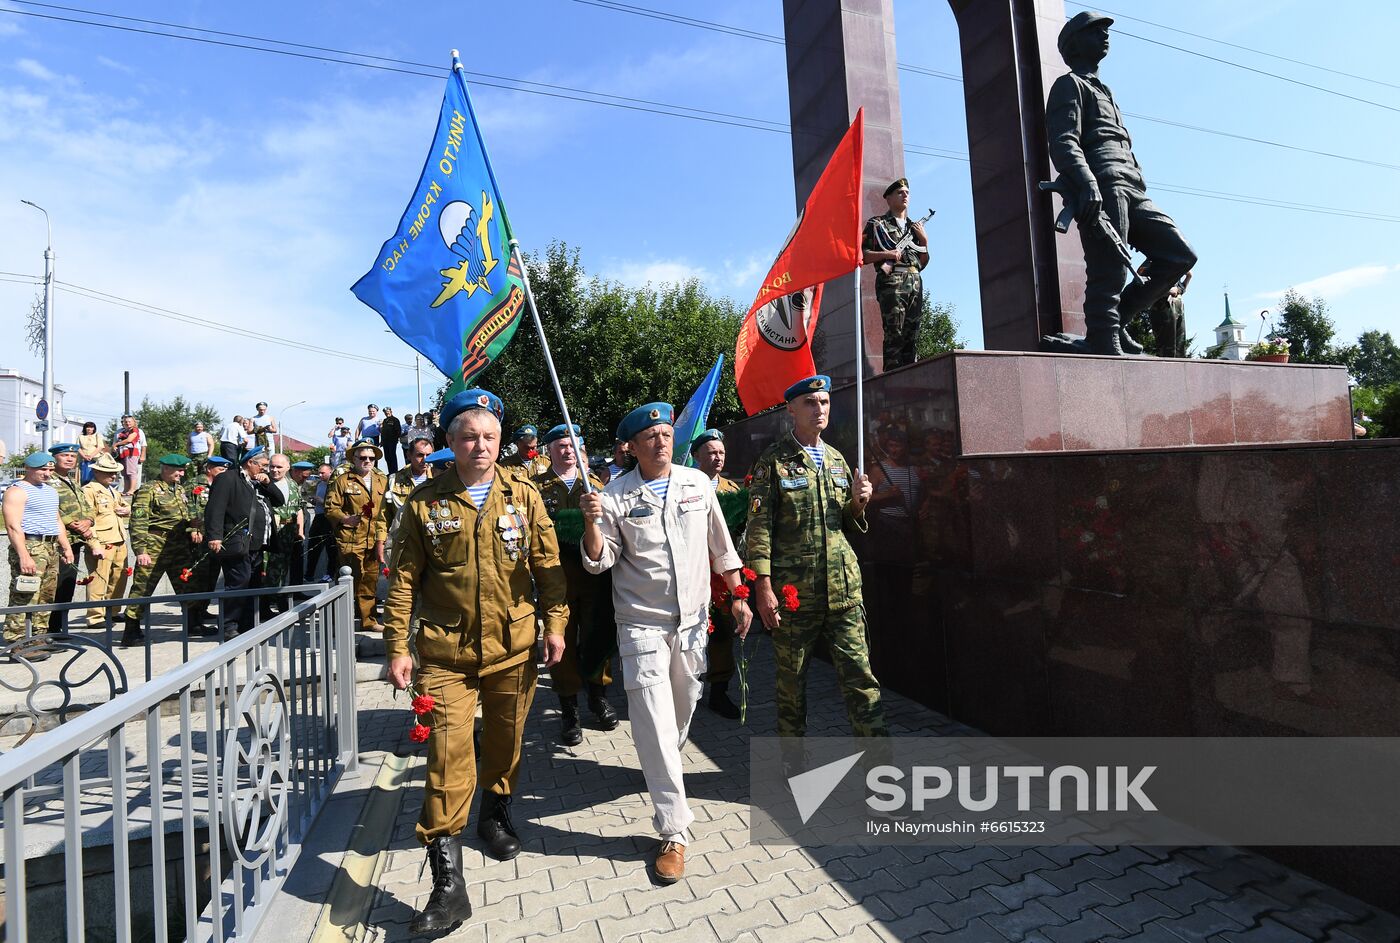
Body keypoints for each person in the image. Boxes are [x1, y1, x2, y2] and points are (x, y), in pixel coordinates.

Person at [383, 388, 568, 934]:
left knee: (507, 742)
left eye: (489, 435)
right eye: (469, 436)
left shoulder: (524, 495)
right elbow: (403, 582)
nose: (480, 445)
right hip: (445, 655)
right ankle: (448, 884)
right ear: (449, 441)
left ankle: (495, 811)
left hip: (513, 650)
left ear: (499, 440)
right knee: (446, 757)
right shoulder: (423, 503)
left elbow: (549, 568)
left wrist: (555, 625)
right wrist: (397, 646)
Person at [581, 403, 751, 884]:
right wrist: (592, 519)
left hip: (694, 622)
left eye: (664, 432)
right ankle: (674, 830)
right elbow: (599, 562)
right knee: (654, 726)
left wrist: (738, 597)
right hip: (642, 626)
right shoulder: (614, 496)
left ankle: (663, 765)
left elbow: (722, 546)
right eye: (649, 436)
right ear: (630, 447)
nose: (660, 441)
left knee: (681, 712)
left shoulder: (697, 484)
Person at [1046, 11, 1197, 355]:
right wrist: (1087, 183)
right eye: (1095, 31)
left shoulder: (1106, 90)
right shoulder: (1070, 85)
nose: (1105, 35)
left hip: (1132, 187)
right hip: (1103, 183)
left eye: (1104, 30)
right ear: (1074, 44)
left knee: (1179, 255)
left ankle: (1117, 318)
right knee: (1109, 266)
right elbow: (1063, 140)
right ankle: (1103, 333)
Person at [745, 375, 887, 739]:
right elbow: (759, 528)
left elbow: (845, 522)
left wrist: (858, 502)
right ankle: (794, 765)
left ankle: (878, 765)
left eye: (824, 402)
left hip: (843, 591)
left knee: (861, 679)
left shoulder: (838, 459)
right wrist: (762, 588)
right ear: (791, 409)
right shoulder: (773, 462)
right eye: (810, 403)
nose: (819, 409)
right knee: (792, 687)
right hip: (795, 596)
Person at [532, 423, 618, 745]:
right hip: (558, 578)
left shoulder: (594, 484)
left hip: (595, 576)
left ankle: (598, 696)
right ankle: (570, 709)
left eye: (572, 446)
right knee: (562, 643)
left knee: (598, 635)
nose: (567, 451)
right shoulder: (538, 488)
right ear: (549, 450)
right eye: (560, 446)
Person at [689, 429, 745, 720]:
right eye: (711, 452)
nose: (717, 457)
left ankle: (719, 692)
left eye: (721, 452)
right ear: (696, 455)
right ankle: (686, 689)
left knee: (723, 632)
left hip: (721, 575)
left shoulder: (733, 491)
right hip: (690, 573)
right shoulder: (684, 486)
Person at [122, 454, 205, 646]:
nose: (181, 473)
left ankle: (193, 623)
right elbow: (138, 521)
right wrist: (141, 550)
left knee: (188, 584)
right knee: (143, 587)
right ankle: (131, 630)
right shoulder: (148, 489)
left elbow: (185, 515)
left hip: (179, 545)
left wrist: (194, 528)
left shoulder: (179, 489)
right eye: (178, 470)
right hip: (155, 545)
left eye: (183, 470)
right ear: (165, 468)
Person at [204, 447, 283, 634]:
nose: (266, 469)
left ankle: (247, 624)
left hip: (256, 543)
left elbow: (279, 500)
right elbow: (215, 508)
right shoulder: (228, 478)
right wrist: (215, 536)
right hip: (236, 542)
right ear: (250, 463)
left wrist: (267, 483)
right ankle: (228, 625)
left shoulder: (257, 482)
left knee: (253, 583)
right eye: (263, 466)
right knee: (238, 582)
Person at [3, 452, 72, 655]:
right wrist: (23, 555)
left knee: (46, 596)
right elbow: (13, 526)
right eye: (43, 469)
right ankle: (16, 641)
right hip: (30, 545)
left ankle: (38, 637)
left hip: (50, 546)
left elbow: (56, 521)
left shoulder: (50, 491)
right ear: (29, 468)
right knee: (25, 594)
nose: (47, 473)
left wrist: (66, 546)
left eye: (50, 469)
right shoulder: (17, 491)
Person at [863, 178, 929, 370]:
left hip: (915, 280)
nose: (905, 195)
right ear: (888, 198)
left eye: (907, 192)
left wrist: (924, 241)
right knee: (895, 333)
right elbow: (864, 256)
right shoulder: (877, 224)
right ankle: (892, 380)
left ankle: (910, 376)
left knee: (912, 335)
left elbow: (923, 263)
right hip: (892, 282)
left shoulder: (914, 227)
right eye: (900, 192)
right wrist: (887, 254)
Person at [324, 439, 388, 630]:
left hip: (374, 538)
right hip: (351, 538)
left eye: (371, 458)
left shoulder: (382, 481)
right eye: (363, 457)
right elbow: (330, 507)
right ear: (354, 459)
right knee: (348, 580)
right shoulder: (343, 480)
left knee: (370, 579)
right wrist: (345, 519)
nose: (367, 461)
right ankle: (338, 623)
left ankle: (368, 620)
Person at [48, 443, 101, 632]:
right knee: (54, 587)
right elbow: (53, 510)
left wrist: (88, 521)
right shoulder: (48, 481)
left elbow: (87, 508)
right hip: (58, 543)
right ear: (54, 458)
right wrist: (74, 524)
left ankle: (60, 628)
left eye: (72, 456)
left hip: (75, 541)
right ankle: (50, 630)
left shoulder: (73, 481)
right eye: (65, 456)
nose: (70, 459)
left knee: (67, 587)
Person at [82, 455, 131, 627]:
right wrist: (94, 544)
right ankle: (95, 616)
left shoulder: (112, 490)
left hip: (118, 539)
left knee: (119, 577)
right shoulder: (89, 490)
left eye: (115, 472)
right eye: (109, 472)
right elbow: (88, 520)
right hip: (102, 542)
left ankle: (112, 610)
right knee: (99, 579)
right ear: (96, 471)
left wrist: (126, 510)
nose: (114, 476)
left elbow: (126, 506)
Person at [380, 435, 434, 557]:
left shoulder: (440, 478)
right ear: (409, 455)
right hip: (403, 542)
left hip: (433, 542)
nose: (425, 459)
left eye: (429, 455)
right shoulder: (394, 480)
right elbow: (384, 515)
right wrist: (380, 541)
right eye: (420, 455)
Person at [265, 454, 306, 612]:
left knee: (284, 567)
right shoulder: (264, 484)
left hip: (288, 532)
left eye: (279, 467)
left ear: (288, 467)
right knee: (268, 568)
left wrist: (300, 530)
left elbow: (298, 508)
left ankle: (281, 598)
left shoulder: (292, 485)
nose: (275, 470)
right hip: (271, 533)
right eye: (272, 466)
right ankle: (266, 602)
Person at [304, 462, 339, 580]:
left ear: (330, 472)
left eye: (322, 473)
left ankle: (330, 573)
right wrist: (315, 501)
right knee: (313, 545)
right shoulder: (320, 484)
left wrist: (322, 501)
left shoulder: (334, 485)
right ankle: (309, 574)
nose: (320, 475)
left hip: (328, 518)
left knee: (331, 548)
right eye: (319, 472)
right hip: (318, 516)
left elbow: (336, 504)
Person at [113, 414, 147, 494]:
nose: (127, 423)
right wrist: (114, 448)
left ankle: (132, 489)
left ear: (134, 422)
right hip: (122, 453)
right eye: (125, 422)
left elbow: (131, 440)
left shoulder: (135, 430)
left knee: (131, 472)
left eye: (129, 421)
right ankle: (126, 489)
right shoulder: (119, 432)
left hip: (132, 453)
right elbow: (114, 443)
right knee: (125, 473)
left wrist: (143, 455)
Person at [379, 407, 403, 475]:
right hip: (385, 442)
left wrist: (396, 439)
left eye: (388, 412)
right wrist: (382, 441)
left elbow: (398, 431)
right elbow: (383, 432)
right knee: (387, 457)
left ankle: (394, 472)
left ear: (391, 411)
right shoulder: (384, 421)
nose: (387, 413)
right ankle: (390, 472)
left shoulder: (395, 420)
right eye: (385, 412)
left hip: (392, 441)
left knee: (392, 456)